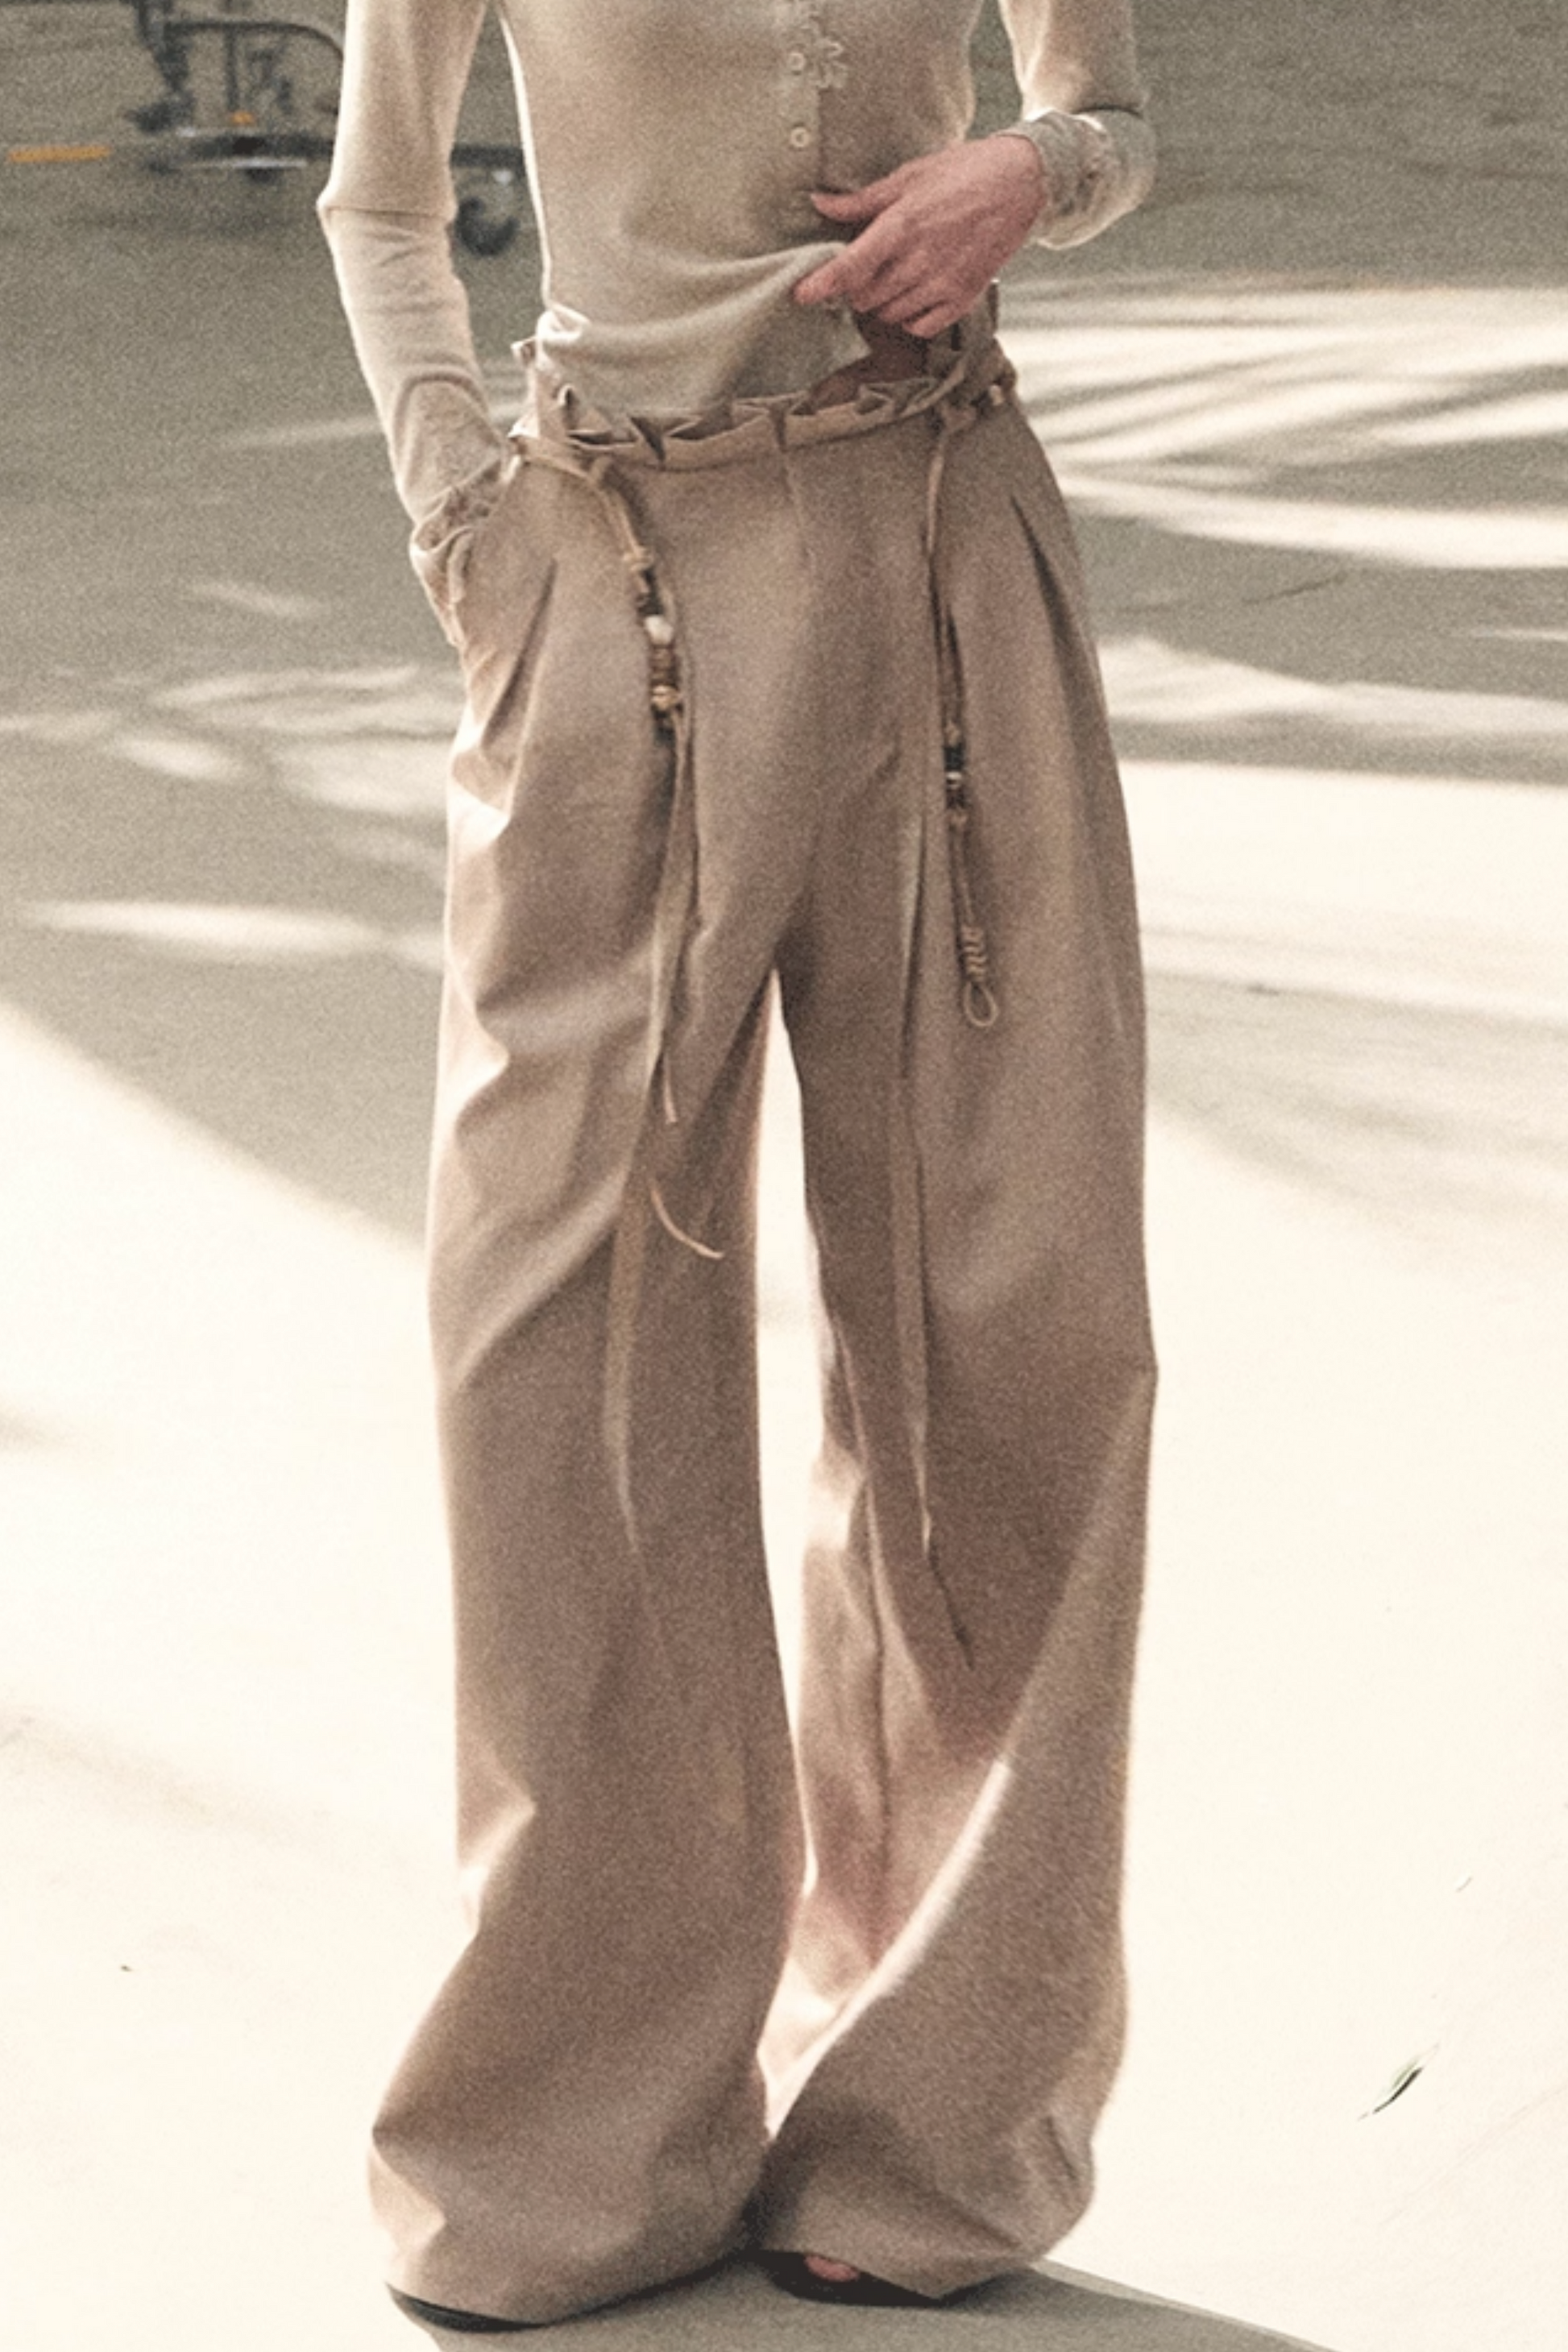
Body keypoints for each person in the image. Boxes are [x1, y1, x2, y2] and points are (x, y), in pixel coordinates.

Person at [319, 0, 1159, 2331]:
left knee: (1011, 1329)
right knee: (554, 1352)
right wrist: (466, 524)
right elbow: (379, 196)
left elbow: (1104, 111)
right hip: (612, 583)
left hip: (948, 558)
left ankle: (932, 2119)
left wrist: (1040, 177)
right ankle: (566, 2140)